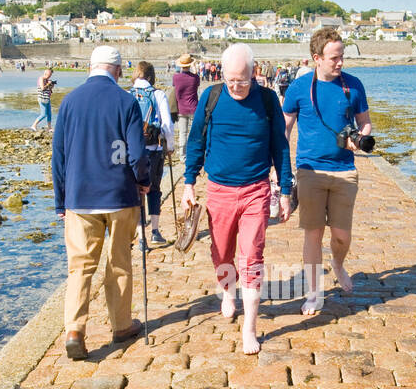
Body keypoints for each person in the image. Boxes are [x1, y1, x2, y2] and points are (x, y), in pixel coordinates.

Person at [182, 44, 292, 354]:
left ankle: (250, 328)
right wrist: (189, 183)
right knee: (221, 253)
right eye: (231, 80)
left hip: (256, 190)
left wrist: (285, 190)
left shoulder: (268, 100)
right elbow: (195, 143)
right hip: (218, 190)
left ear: (254, 73)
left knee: (252, 257)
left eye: (242, 80)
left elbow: (280, 149)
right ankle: (228, 293)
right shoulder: (212, 97)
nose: (235, 86)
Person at [51, 46, 149, 360]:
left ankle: (75, 331)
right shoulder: (126, 101)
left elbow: (59, 157)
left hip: (79, 198)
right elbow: (136, 153)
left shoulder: (69, 102)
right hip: (120, 195)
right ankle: (121, 326)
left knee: (79, 268)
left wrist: (60, 201)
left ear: (90, 67)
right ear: (118, 70)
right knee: (119, 262)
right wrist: (144, 180)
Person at [282, 27, 372, 315]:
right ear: (316, 58)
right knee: (313, 233)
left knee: (342, 235)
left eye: (342, 56)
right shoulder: (298, 88)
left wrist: (359, 140)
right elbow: (284, 129)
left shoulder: (354, 86)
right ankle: (313, 293)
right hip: (309, 170)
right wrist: (280, 169)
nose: (340, 63)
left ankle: (338, 263)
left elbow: (366, 123)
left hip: (345, 170)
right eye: (334, 58)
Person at [130, 61, 174, 246]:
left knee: (137, 192)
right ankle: (155, 231)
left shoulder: (127, 95)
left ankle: (141, 237)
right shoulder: (158, 94)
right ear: (150, 76)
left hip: (134, 152)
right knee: (154, 189)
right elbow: (167, 125)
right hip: (154, 150)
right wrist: (169, 145)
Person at [30, 67, 56, 132]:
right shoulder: (41, 78)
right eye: (49, 75)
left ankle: (49, 128)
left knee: (49, 114)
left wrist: (52, 85)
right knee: (43, 114)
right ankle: (34, 125)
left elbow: (49, 89)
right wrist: (48, 84)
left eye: (50, 75)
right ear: (45, 73)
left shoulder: (47, 80)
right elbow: (42, 88)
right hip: (42, 99)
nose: (49, 76)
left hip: (47, 99)